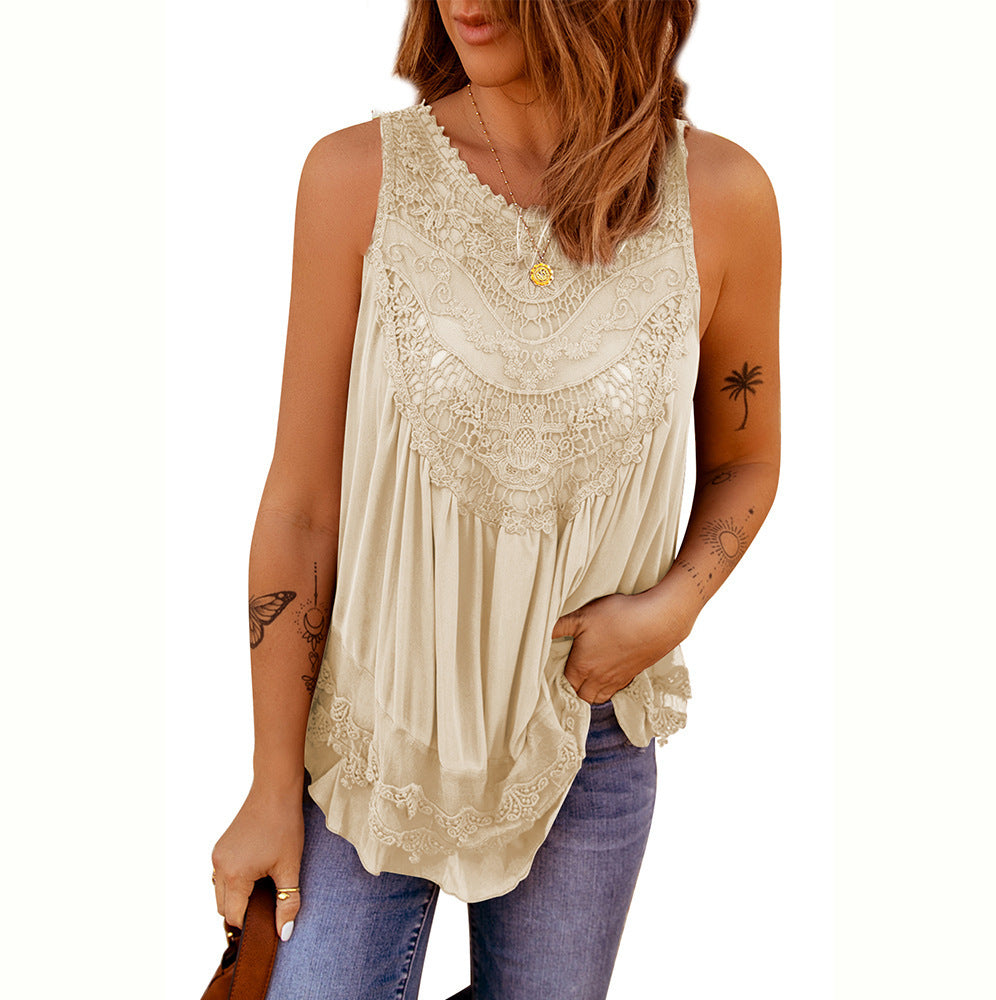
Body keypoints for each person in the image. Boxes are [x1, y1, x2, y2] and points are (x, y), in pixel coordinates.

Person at [210, 0, 781, 997]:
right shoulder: (356, 181)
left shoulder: (721, 197)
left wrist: (672, 607)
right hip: (369, 738)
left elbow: (747, 460)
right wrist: (268, 783)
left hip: (584, 737)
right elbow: (301, 508)